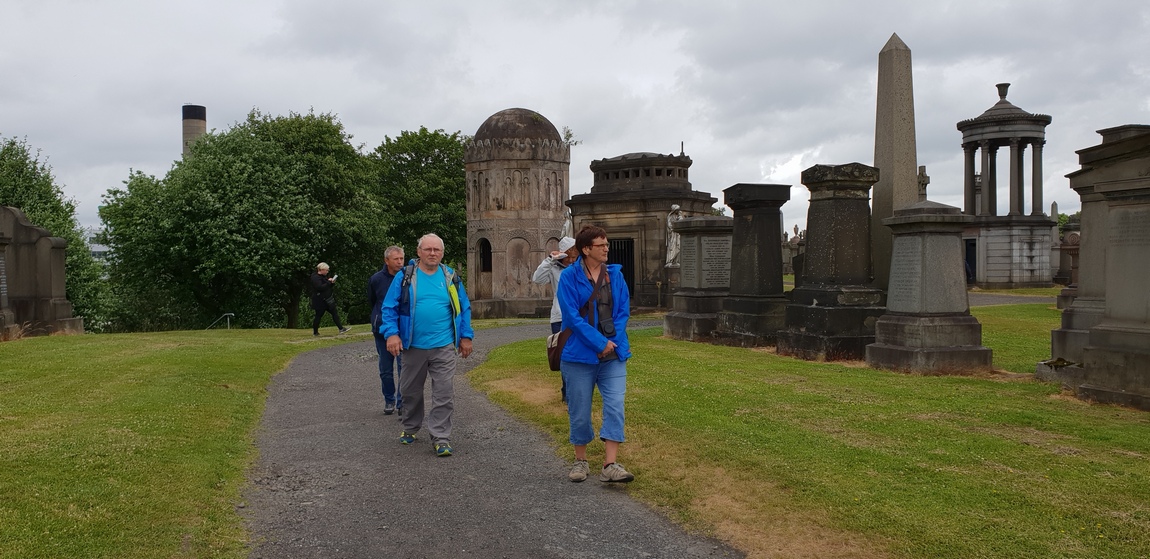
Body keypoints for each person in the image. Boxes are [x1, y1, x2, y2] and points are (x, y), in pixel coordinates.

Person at [380, 233, 474, 457]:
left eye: (437, 250)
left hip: (443, 346)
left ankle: (441, 437)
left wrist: (466, 336)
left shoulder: (450, 276)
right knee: (410, 391)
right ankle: (411, 426)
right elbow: (389, 307)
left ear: (442, 253)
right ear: (419, 252)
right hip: (413, 346)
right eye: (428, 249)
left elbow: (464, 308)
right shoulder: (405, 276)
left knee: (444, 392)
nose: (432, 253)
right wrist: (391, 334)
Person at [557, 224, 633, 483]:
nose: (606, 249)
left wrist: (611, 343)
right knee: (579, 410)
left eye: (606, 244)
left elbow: (623, 312)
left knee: (615, 405)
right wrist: (599, 343)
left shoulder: (616, 276)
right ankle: (580, 461)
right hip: (579, 355)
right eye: (601, 245)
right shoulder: (569, 277)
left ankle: (610, 464)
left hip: (613, 354)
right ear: (586, 249)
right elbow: (571, 318)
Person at [533, 236, 578, 403]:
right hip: (559, 316)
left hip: (578, 315)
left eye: (574, 257)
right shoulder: (554, 268)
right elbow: (537, 278)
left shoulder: (580, 267)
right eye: (568, 257)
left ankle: (577, 389)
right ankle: (567, 391)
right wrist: (550, 260)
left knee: (577, 353)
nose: (571, 260)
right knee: (564, 355)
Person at [368, 246, 405, 415]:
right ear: (387, 261)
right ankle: (389, 399)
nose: (399, 262)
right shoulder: (376, 279)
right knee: (386, 369)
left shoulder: (408, 277)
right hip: (382, 329)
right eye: (396, 259)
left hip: (403, 328)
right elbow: (372, 300)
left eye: (401, 258)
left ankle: (402, 402)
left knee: (404, 367)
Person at [310, 262, 349, 337]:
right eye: (326, 270)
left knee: (334, 313)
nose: (327, 272)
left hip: (327, 299)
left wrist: (332, 283)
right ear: (321, 270)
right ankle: (315, 332)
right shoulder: (315, 278)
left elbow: (327, 287)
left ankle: (341, 328)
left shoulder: (324, 277)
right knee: (318, 315)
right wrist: (328, 282)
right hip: (320, 300)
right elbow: (320, 287)